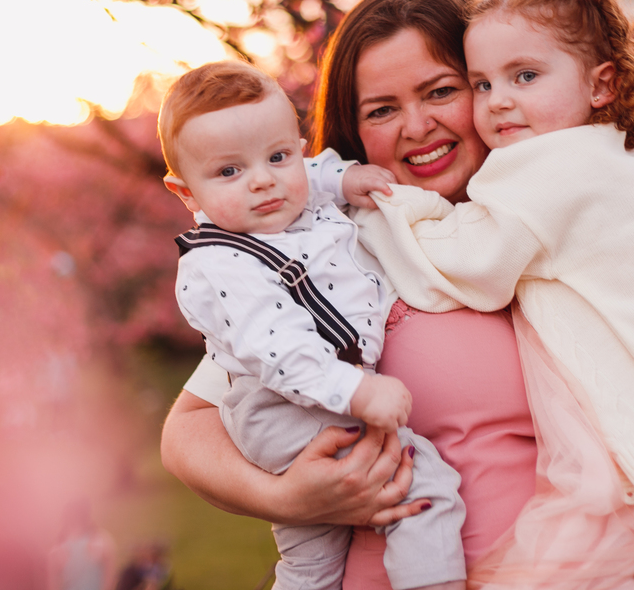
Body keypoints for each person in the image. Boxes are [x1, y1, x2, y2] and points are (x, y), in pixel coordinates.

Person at [160, 0, 634, 590]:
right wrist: (289, 499)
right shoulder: (332, 249)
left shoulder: (579, 214)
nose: (417, 125)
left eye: (442, 90)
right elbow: (188, 430)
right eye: (382, 109)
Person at [354, 0, 634, 589]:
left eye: (523, 76)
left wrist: (387, 210)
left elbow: (474, 264)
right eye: (481, 84)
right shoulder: (614, 154)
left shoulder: (552, 167)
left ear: (600, 85)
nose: (499, 101)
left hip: (632, 501)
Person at [158, 60, 467, 590]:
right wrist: (357, 392)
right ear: (186, 193)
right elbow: (278, 348)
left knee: (312, 559)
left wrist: (347, 176)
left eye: (278, 157)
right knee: (422, 487)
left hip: (311, 400)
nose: (262, 181)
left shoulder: (292, 200)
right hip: (291, 404)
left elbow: (311, 172)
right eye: (229, 172)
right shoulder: (224, 262)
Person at [47, 498, 116, 590]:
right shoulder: (102, 541)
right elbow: (110, 581)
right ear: (87, 515)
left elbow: (53, 586)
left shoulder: (57, 549)